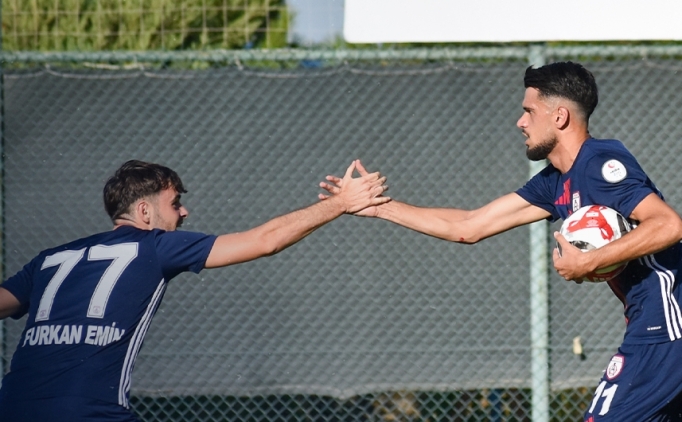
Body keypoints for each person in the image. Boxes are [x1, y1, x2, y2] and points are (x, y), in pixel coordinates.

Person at [320, 61, 682, 421]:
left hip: (665, 328)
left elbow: (668, 224)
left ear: (559, 117)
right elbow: (470, 225)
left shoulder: (600, 163)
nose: (520, 122)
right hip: (655, 326)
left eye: (529, 111)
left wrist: (589, 261)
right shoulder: (557, 181)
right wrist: (380, 207)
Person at [0, 159, 389, 421]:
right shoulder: (155, 246)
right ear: (145, 212)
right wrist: (341, 203)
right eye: (175, 204)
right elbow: (265, 240)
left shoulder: (50, 259)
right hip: (89, 412)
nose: (183, 212)